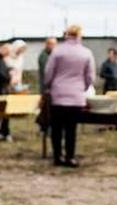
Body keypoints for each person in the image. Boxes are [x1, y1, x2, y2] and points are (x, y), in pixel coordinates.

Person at [43, 24, 94, 167]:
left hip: (58, 94)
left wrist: (49, 85)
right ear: (79, 36)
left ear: (66, 35)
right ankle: (70, 156)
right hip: (76, 95)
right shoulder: (86, 53)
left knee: (57, 128)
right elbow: (90, 76)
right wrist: (83, 87)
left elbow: (48, 72)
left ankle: (57, 156)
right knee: (71, 128)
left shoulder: (57, 51)